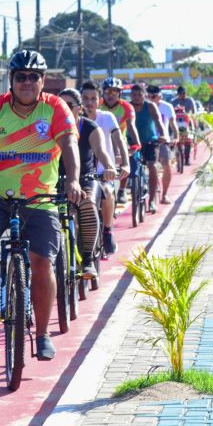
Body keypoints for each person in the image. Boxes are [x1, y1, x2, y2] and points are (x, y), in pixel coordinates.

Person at [0, 50, 82, 361]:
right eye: (20, 77)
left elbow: (69, 144)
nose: (27, 82)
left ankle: (42, 334)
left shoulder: (55, 108)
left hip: (40, 198)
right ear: (11, 80)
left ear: (43, 81)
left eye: (34, 77)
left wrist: (72, 181)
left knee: (43, 262)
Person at [58, 88, 117, 277]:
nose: (64, 109)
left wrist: (109, 166)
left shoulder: (90, 127)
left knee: (88, 204)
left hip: (86, 180)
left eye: (69, 105)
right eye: (60, 105)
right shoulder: (47, 128)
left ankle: (88, 258)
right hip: (55, 182)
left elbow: (101, 151)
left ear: (79, 109)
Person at [80, 80, 130, 255]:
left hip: (102, 174)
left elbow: (119, 140)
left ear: (99, 100)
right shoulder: (74, 120)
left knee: (108, 193)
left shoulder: (106, 118)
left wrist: (125, 163)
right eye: (85, 98)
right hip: (81, 176)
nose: (89, 103)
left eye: (93, 98)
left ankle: (108, 231)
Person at [100, 77, 140, 204]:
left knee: (127, 160)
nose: (110, 95)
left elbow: (131, 126)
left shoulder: (127, 107)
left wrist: (137, 143)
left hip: (119, 143)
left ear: (120, 93)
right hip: (100, 141)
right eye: (107, 92)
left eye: (114, 92)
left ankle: (122, 189)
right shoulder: (98, 104)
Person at [129, 83, 167, 213]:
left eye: (140, 95)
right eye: (134, 95)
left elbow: (159, 122)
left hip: (150, 142)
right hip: (132, 142)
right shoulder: (128, 107)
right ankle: (123, 191)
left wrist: (163, 135)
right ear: (130, 96)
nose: (137, 97)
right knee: (127, 165)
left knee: (152, 166)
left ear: (145, 95)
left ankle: (151, 201)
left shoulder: (150, 106)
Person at [146, 85, 178, 204]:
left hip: (163, 140)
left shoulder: (167, 107)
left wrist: (176, 136)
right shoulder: (144, 106)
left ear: (160, 96)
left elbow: (172, 123)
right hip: (147, 140)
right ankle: (149, 192)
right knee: (149, 166)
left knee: (166, 164)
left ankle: (164, 195)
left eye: (153, 96)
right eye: (148, 96)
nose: (150, 98)